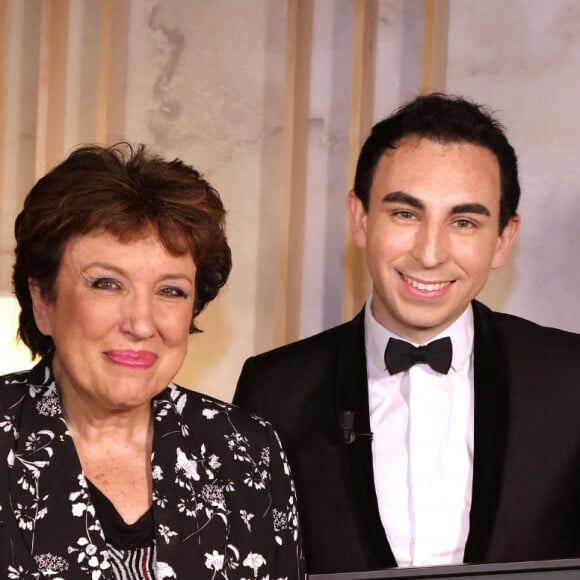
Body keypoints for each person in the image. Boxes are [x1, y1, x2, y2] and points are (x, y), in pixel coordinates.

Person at [234, 93, 580, 574]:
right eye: (405, 214)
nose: (430, 253)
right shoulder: (274, 391)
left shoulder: (570, 379)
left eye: (463, 221)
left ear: (503, 239)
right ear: (360, 219)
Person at [0, 143, 304, 579]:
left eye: (170, 291)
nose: (141, 323)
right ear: (42, 301)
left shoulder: (248, 453)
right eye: (107, 284)